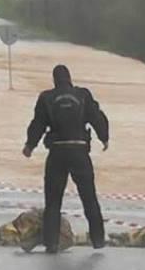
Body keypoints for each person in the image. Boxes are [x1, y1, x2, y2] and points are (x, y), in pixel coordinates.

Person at [23, 65, 109, 254]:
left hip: (57, 153)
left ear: (54, 80)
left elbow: (37, 124)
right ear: (70, 78)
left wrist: (29, 146)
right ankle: (98, 239)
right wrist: (104, 137)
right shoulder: (83, 95)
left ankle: (51, 243)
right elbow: (97, 117)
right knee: (89, 197)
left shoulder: (46, 98)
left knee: (53, 201)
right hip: (79, 151)